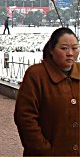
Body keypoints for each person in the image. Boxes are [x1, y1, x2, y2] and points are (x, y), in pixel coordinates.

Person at [14, 27, 79, 156]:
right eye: (64, 48)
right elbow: (25, 118)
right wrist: (44, 150)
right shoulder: (36, 75)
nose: (70, 53)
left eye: (75, 48)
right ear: (51, 50)